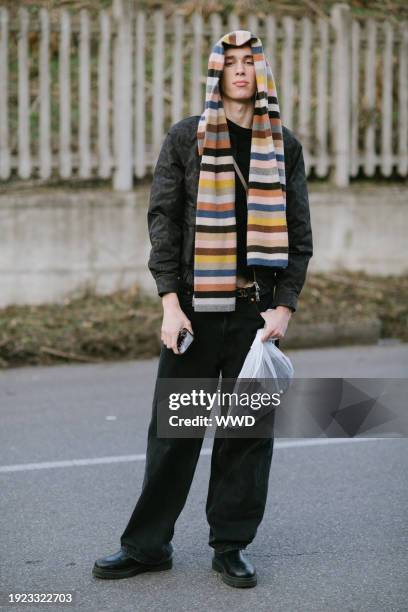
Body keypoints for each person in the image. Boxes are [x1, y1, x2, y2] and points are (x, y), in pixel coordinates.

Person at [93, 29, 313, 588]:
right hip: (194, 308)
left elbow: (298, 236)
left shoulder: (282, 146)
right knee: (175, 435)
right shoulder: (186, 138)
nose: (240, 70)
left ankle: (231, 545)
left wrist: (283, 308)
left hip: (255, 314)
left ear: (262, 75)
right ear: (216, 74)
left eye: (250, 62)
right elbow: (163, 222)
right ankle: (146, 546)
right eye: (230, 62)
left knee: (245, 437)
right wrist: (170, 302)